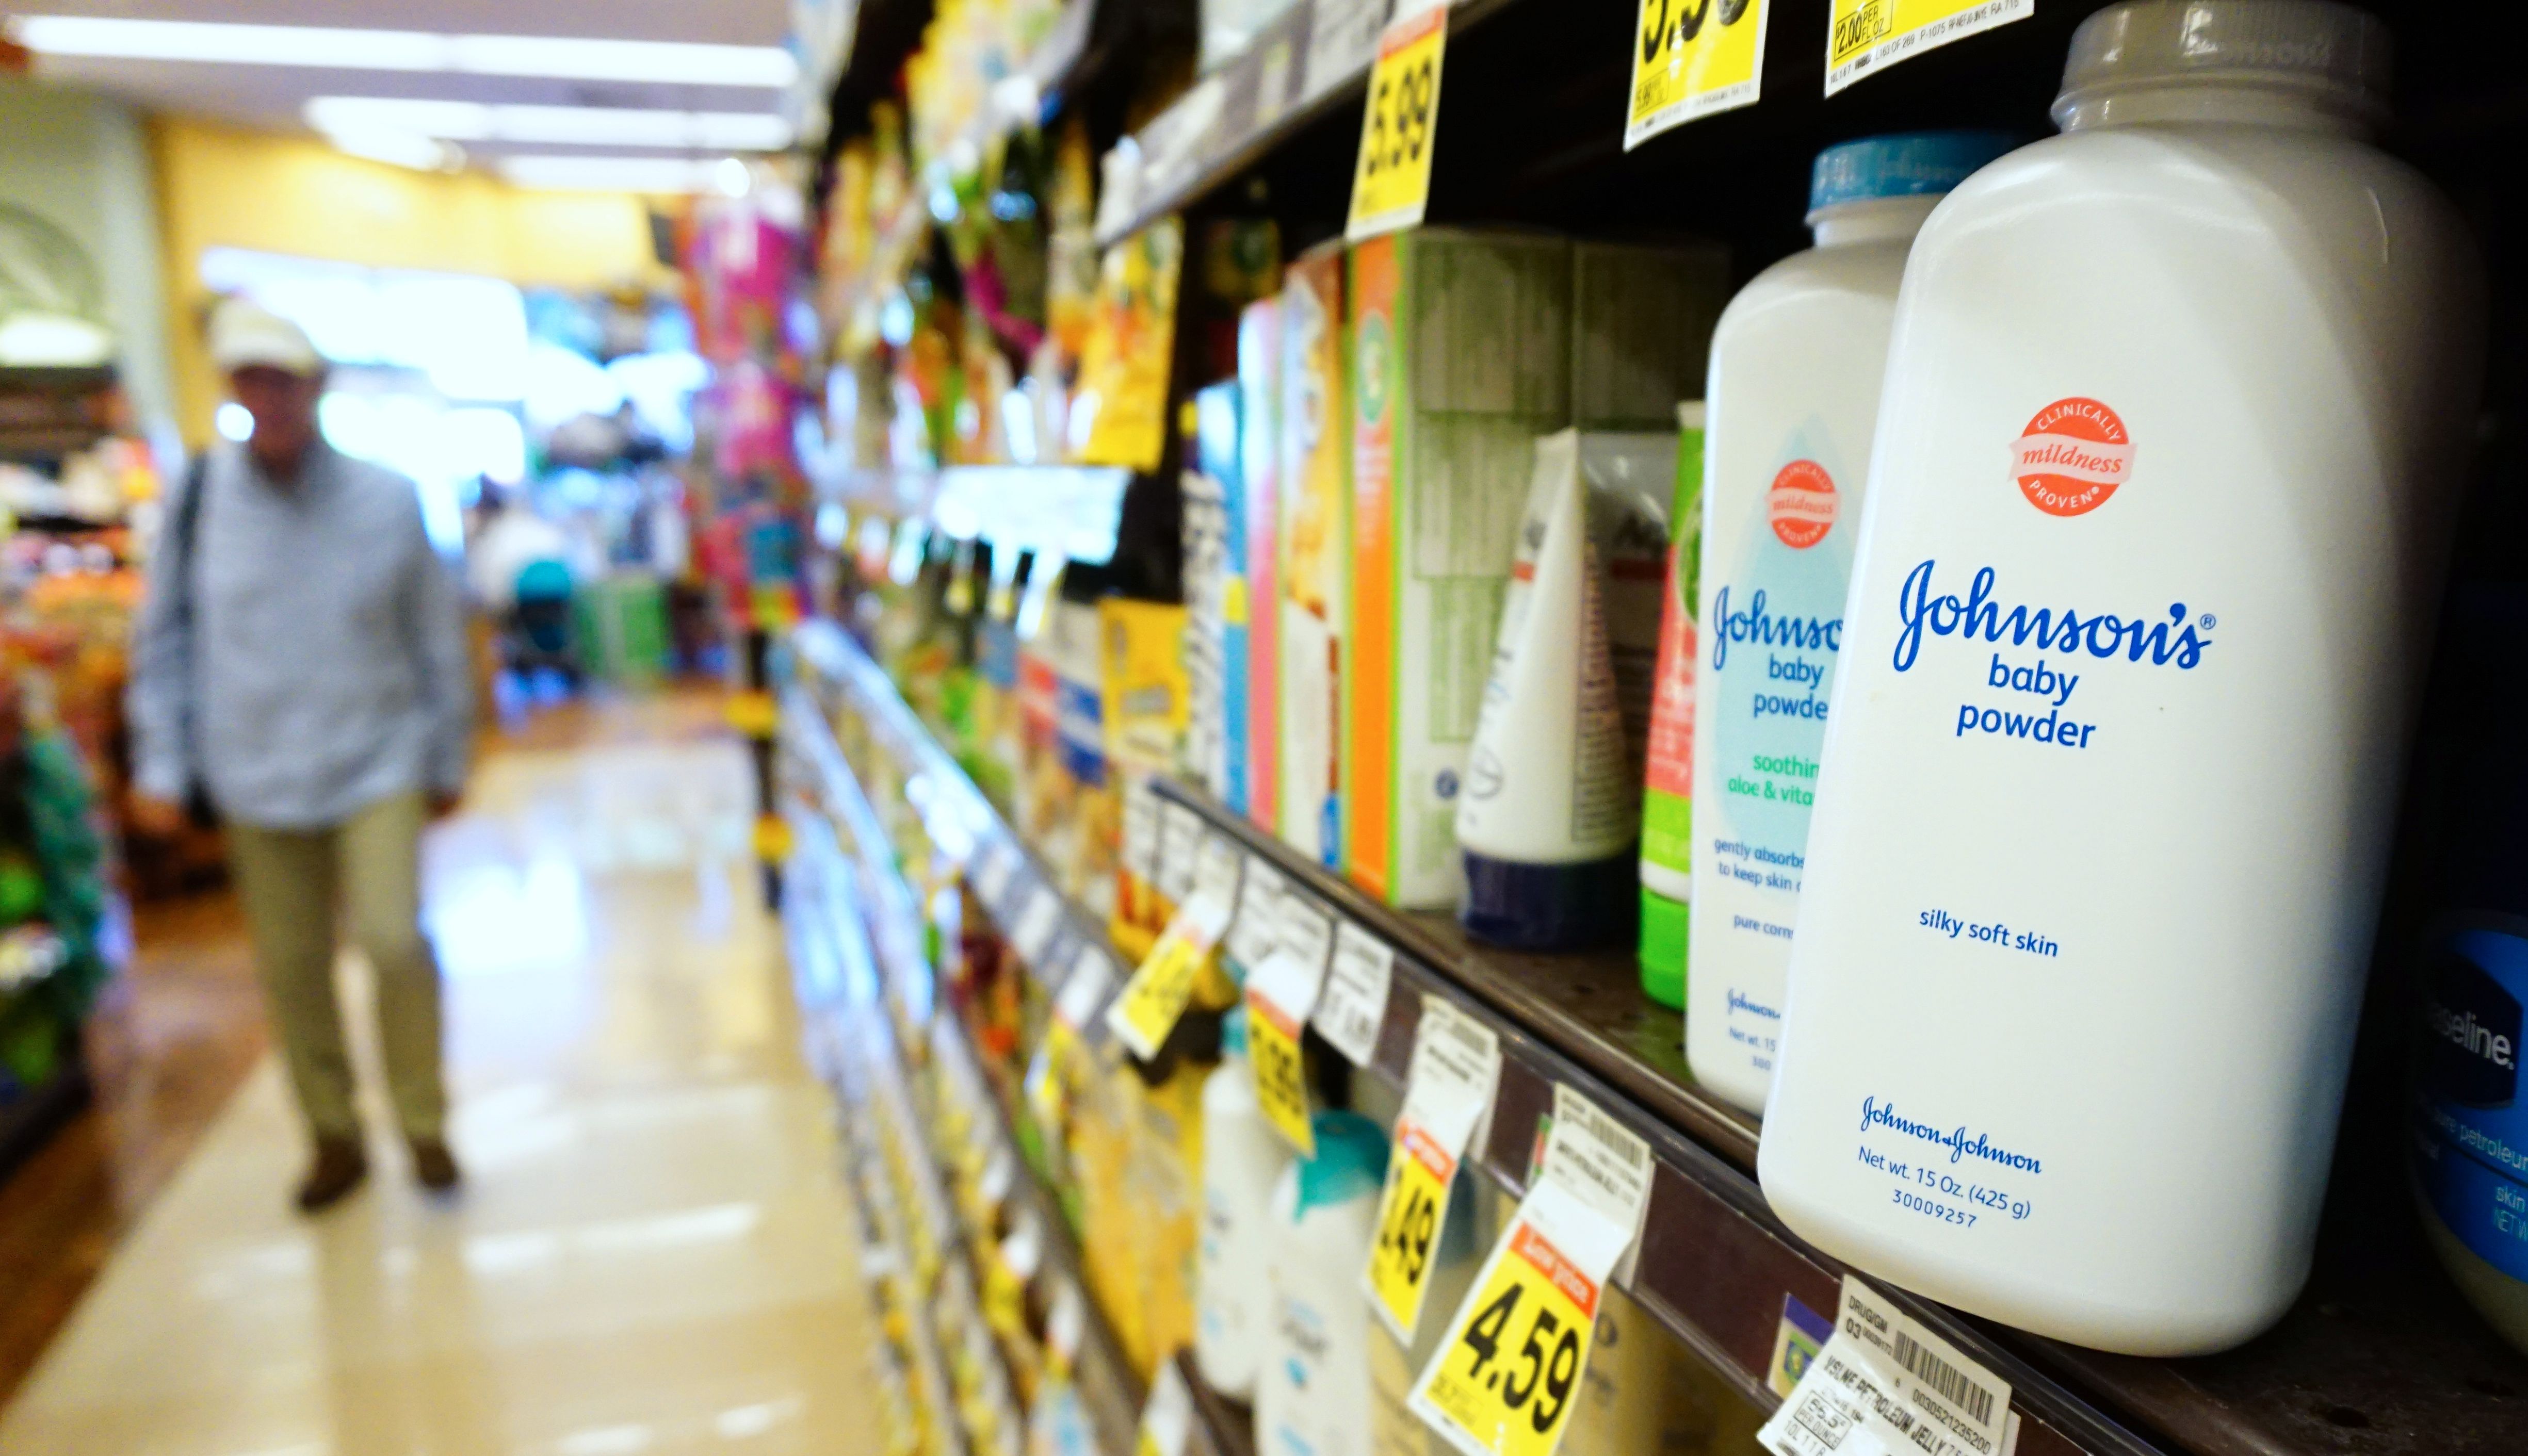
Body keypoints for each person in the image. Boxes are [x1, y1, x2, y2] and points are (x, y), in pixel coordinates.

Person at [127, 300, 472, 1213]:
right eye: (248, 381)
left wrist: (448, 753)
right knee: (292, 965)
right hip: (254, 770)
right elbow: (163, 643)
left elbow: (436, 634)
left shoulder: (389, 498)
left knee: (396, 943)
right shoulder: (199, 501)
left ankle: (423, 1119)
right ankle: (332, 1133)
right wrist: (162, 767)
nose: (266, 398)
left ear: (315, 388)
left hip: (378, 756)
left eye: (282, 379)